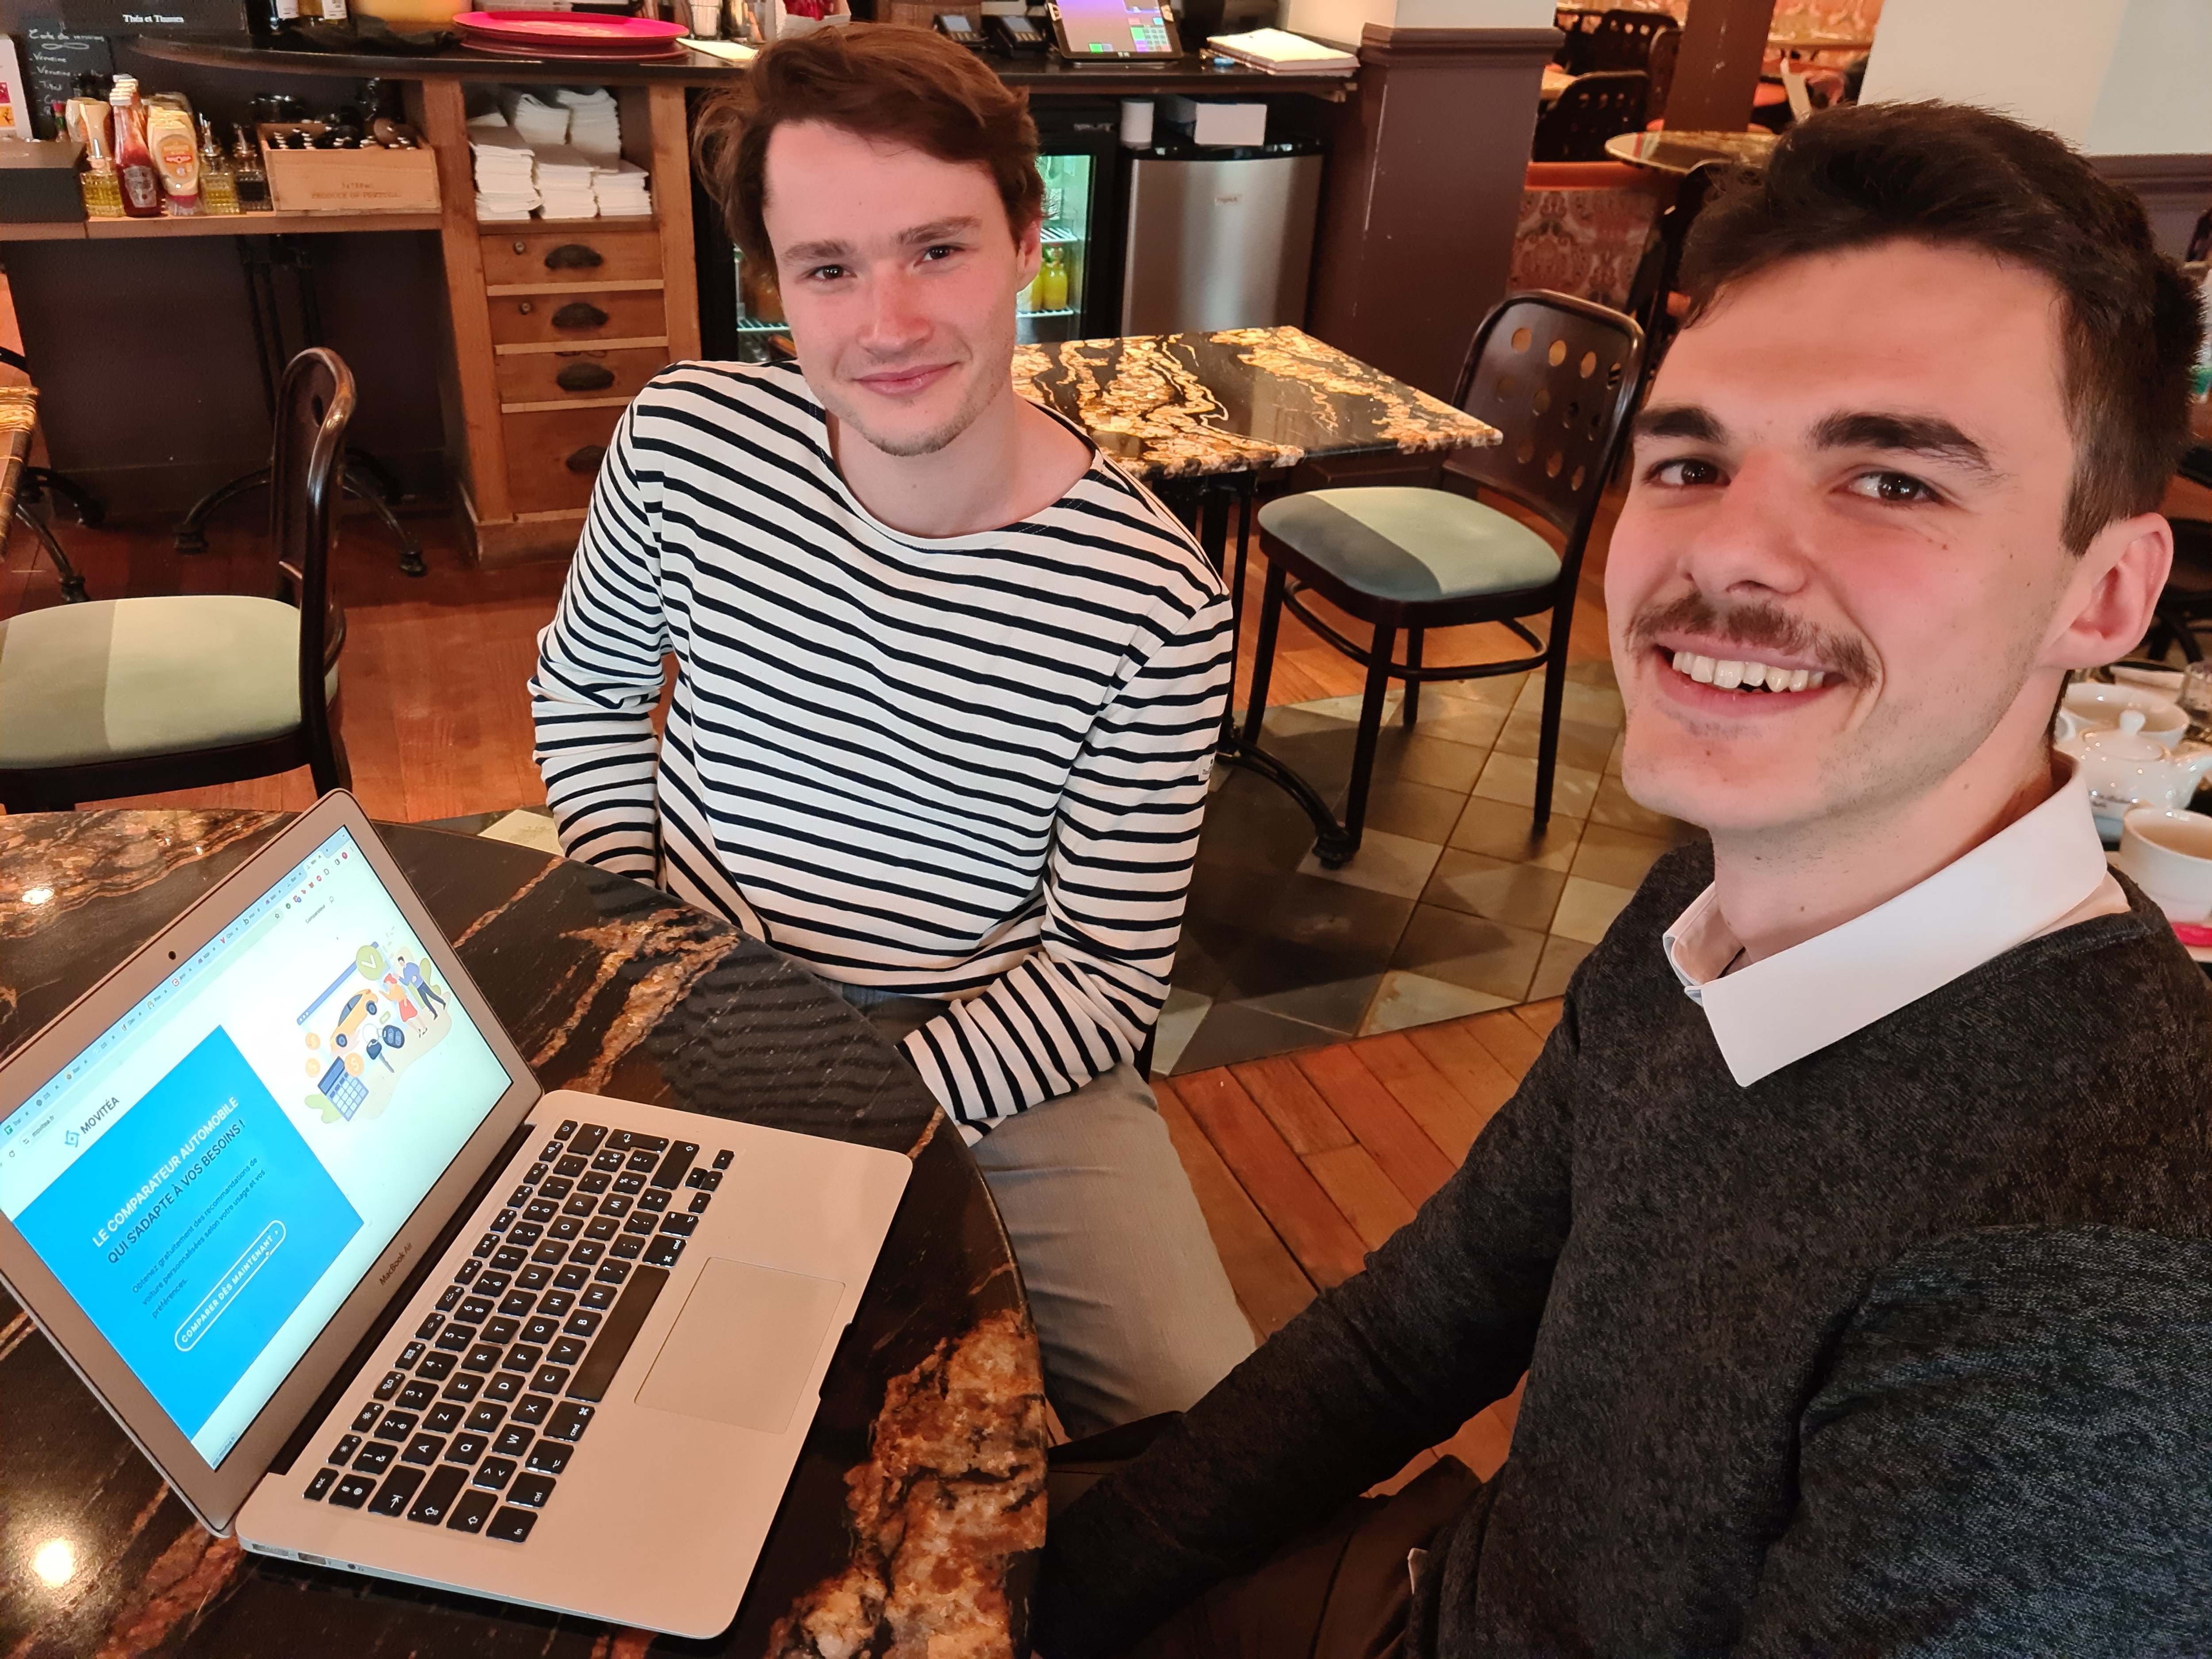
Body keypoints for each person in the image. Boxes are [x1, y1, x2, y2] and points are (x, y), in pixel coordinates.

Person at [1035, 101, 2212, 1656]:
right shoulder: (1701, 909)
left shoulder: (2098, 1292)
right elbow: (1422, 1323)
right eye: (1690, 460)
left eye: (1896, 482)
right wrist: (1042, 1602)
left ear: (2109, 588)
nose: (1732, 555)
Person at [527, 24, 1253, 1440]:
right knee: (616, 1388)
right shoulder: (686, 446)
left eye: (938, 249)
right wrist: (651, 941)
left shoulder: (1157, 600)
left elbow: (1103, 980)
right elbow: (588, 692)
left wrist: (859, 1113)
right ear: (776, 288)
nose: (891, 325)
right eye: (831, 269)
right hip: (705, 990)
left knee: (1199, 1418)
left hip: (989, 1047)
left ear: (1030, 236)